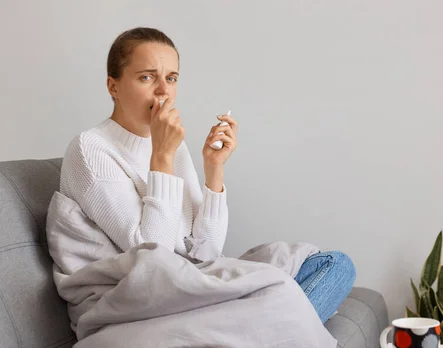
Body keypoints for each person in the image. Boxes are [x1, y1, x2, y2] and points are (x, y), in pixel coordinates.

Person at [59, 27, 355, 324]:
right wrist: (161, 155)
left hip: (196, 286)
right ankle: (274, 331)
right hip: (152, 304)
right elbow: (153, 259)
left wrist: (213, 169)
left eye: (171, 78)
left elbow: (207, 252)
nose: (163, 91)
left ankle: (269, 329)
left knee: (336, 266)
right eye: (147, 77)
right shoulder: (91, 148)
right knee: (285, 296)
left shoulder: (173, 146)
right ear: (113, 86)